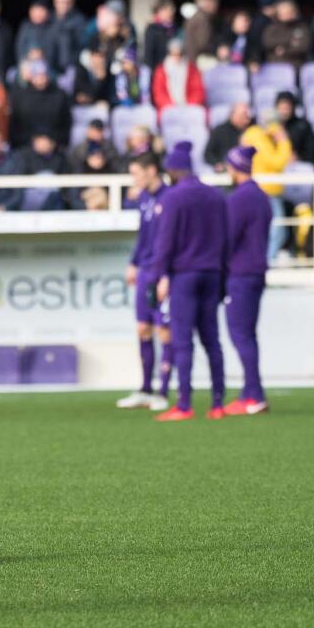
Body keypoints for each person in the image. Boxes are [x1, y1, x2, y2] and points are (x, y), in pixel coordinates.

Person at [152, 141, 228, 422]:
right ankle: (218, 402)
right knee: (212, 341)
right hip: (212, 273)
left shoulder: (172, 198)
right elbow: (225, 239)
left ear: (172, 170)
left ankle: (184, 403)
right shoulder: (216, 196)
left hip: (184, 275)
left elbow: (165, 242)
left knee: (183, 342)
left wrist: (160, 275)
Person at [116, 152, 172, 412]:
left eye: (137, 173)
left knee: (165, 331)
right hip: (145, 270)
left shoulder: (170, 198)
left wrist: (167, 274)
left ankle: (163, 391)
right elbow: (144, 235)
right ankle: (146, 388)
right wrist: (133, 262)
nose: (134, 179)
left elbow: (172, 241)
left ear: (151, 170)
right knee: (143, 329)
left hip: (161, 272)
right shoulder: (145, 199)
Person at [222, 147, 272, 415]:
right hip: (257, 271)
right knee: (248, 335)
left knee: (240, 334)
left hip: (240, 273)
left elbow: (228, 237)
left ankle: (254, 395)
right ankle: (250, 391)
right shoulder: (261, 196)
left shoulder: (239, 198)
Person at [240, 115, 293, 260]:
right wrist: (283, 141)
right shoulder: (256, 136)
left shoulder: (261, 136)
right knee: (277, 230)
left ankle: (265, 261)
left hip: (269, 190)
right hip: (264, 190)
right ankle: (266, 262)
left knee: (275, 230)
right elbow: (278, 162)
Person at [9, 58, 71, 150]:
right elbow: (15, 125)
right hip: (26, 147)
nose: (41, 78)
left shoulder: (60, 95)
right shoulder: (20, 96)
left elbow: (66, 123)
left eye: (44, 74)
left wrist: (53, 142)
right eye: (38, 75)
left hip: (54, 146)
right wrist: (33, 143)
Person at [151, 37, 206, 109]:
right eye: (174, 54)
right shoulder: (161, 70)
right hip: (169, 109)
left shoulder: (192, 70)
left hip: (189, 108)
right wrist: (170, 106)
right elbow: (159, 93)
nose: (177, 57)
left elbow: (198, 91)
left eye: (179, 54)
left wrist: (189, 106)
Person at [261, 0, 313, 68]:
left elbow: (303, 46)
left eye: (289, 13)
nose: (286, 15)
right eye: (283, 13)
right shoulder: (272, 27)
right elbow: (267, 42)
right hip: (274, 66)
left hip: (295, 66)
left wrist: (284, 50)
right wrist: (290, 42)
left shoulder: (302, 27)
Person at [48, 0, 86, 74]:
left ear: (72, 3)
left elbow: (82, 45)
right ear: (54, 2)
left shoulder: (80, 21)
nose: (63, 5)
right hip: (48, 70)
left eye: (67, 2)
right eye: (60, 2)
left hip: (71, 69)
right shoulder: (48, 19)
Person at [274, 91, 314, 165]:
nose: (284, 112)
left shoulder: (303, 126)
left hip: (299, 167)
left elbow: (312, 151)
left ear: (293, 108)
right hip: (275, 167)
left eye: (287, 108)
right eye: (281, 108)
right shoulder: (271, 127)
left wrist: (298, 157)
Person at [206, 102, 252, 171]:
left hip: (247, 169)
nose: (246, 120)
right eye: (243, 116)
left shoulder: (252, 130)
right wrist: (217, 163)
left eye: (247, 116)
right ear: (233, 115)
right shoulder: (219, 131)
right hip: (226, 170)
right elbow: (208, 153)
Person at [15, 0, 56, 71]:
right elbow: (19, 47)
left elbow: (55, 50)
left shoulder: (53, 28)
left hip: (47, 67)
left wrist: (42, 55)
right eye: (35, 10)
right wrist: (26, 58)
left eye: (41, 10)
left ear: (47, 12)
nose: (37, 14)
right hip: (27, 65)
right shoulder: (25, 27)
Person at [182, 0, 221, 64]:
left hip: (191, 60)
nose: (216, 5)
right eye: (214, 2)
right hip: (199, 61)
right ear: (207, 2)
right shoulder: (202, 19)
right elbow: (203, 43)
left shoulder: (195, 16)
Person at [141, 0, 178, 74]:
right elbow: (148, 54)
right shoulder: (152, 29)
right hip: (157, 71)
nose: (171, 13)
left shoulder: (173, 28)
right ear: (160, 11)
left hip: (172, 70)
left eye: (172, 10)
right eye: (169, 10)